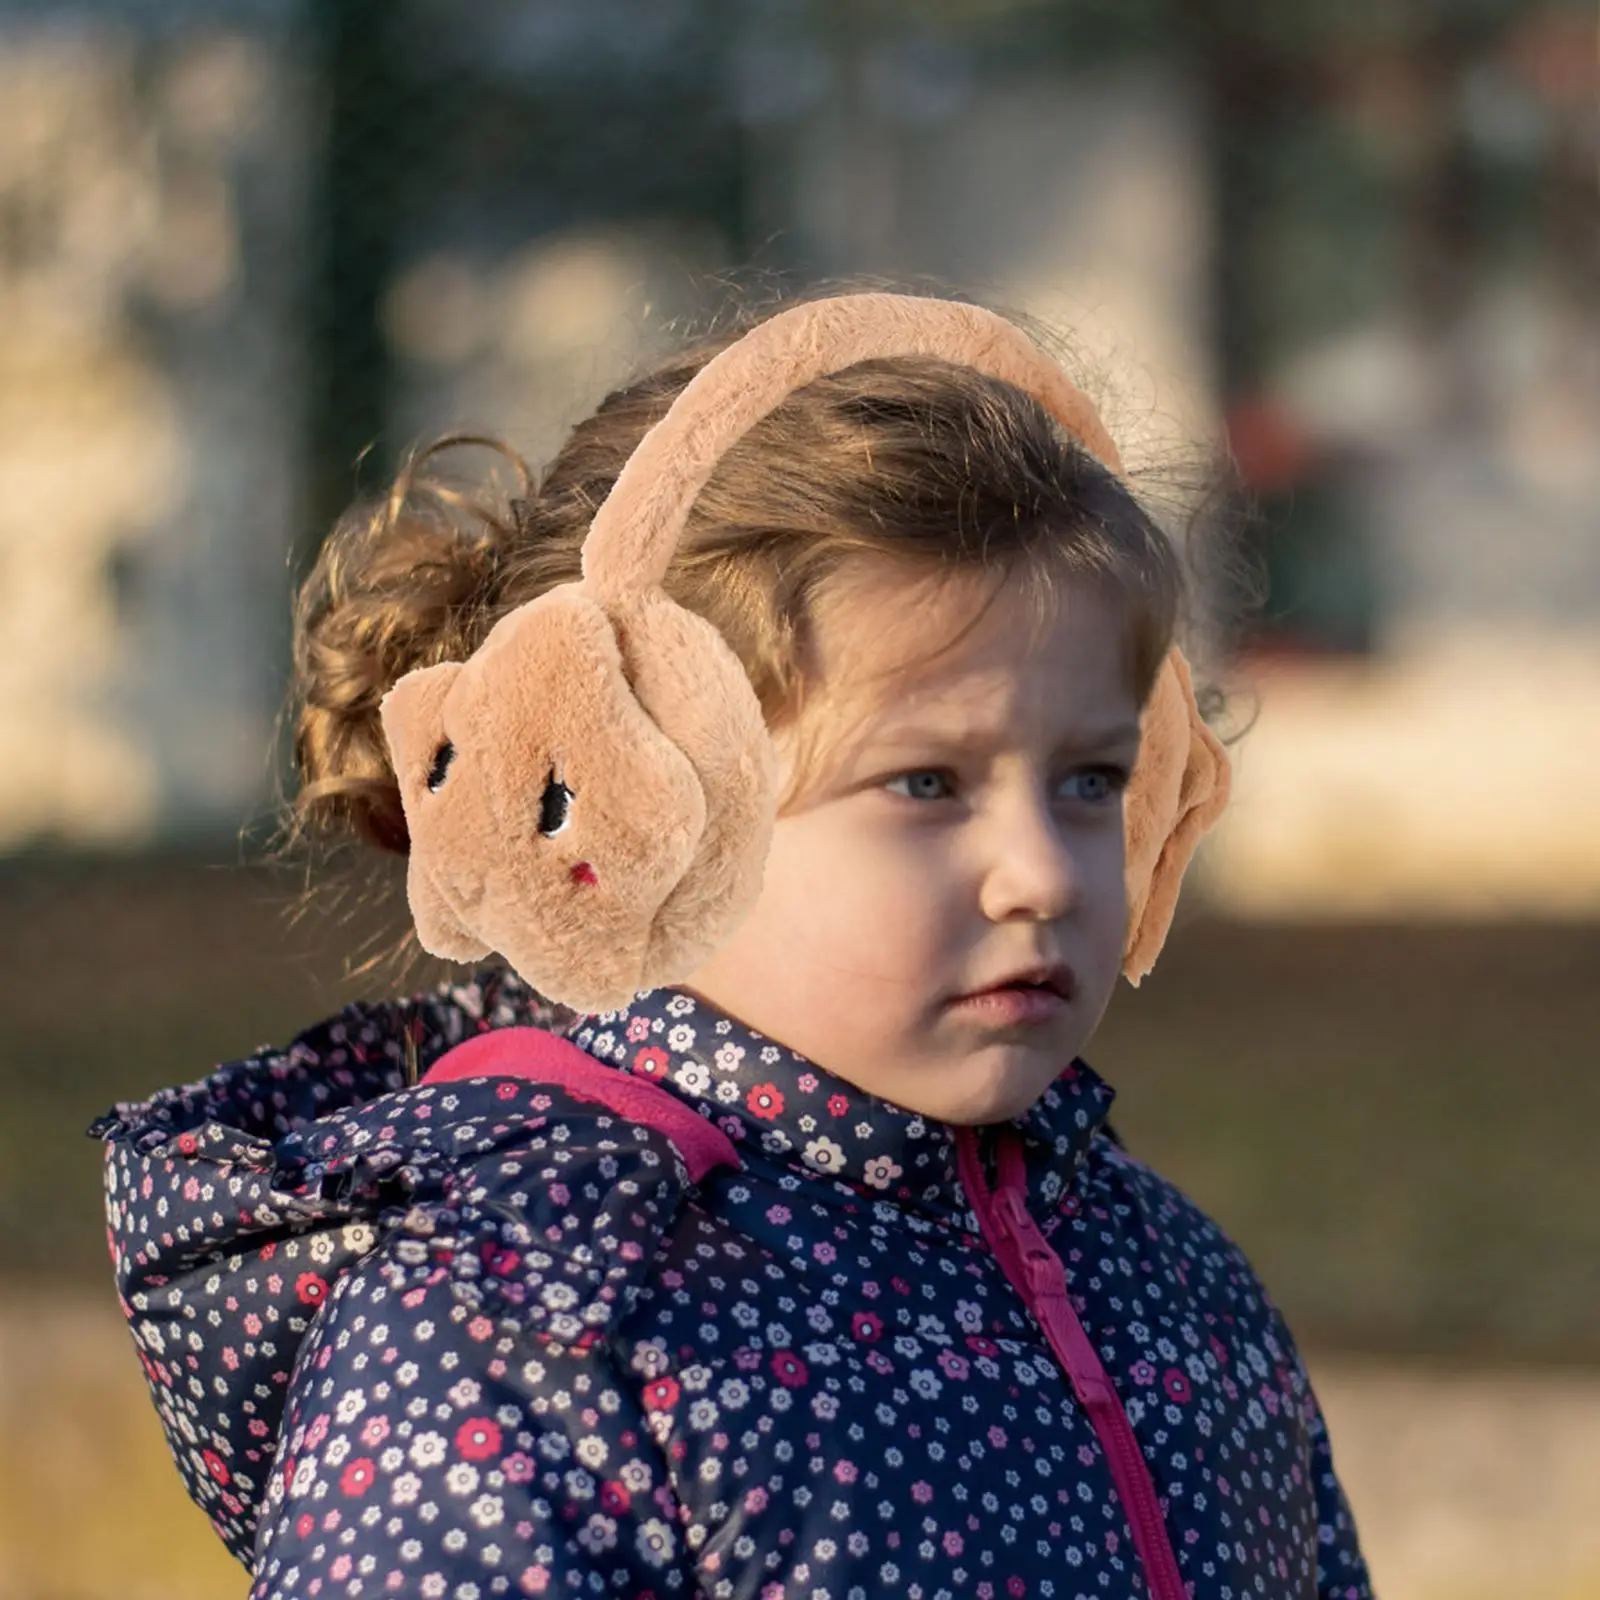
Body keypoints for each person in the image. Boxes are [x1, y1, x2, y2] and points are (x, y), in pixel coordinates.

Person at [91, 286, 1373, 1599]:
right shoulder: (523, 1321)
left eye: (1093, 781)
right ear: (629, 792)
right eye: (925, 784)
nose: (1040, 875)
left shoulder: (1166, 1282)